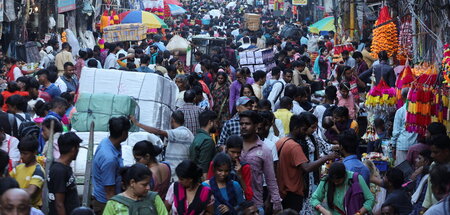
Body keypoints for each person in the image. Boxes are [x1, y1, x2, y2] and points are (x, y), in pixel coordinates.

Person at [276, 113, 337, 213]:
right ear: (296, 128)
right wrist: (326, 158)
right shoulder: (294, 146)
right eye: (304, 129)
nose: (306, 132)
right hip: (293, 189)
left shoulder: (281, 141)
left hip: (284, 188)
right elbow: (306, 167)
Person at [239, 110, 282, 214]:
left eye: (247, 124)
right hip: (235, 204)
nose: (243, 126)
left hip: (255, 204)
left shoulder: (264, 150)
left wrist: (276, 202)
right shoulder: (234, 145)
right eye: (241, 124)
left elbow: (271, 178)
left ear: (256, 126)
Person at [131, 111, 194, 177]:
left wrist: (138, 124)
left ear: (172, 120)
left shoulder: (180, 133)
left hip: (176, 173)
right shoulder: (188, 133)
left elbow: (158, 131)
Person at [91, 116, 131, 215]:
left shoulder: (108, 142)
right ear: (124, 134)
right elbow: (109, 191)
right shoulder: (109, 158)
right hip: (105, 202)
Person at [103, 164, 168, 215]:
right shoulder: (114, 204)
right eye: (144, 185)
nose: (148, 188)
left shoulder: (154, 198)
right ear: (132, 182)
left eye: (149, 184)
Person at [48, 132, 82, 215]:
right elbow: (59, 204)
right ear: (73, 149)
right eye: (78, 147)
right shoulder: (59, 170)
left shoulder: (64, 167)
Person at [9, 136, 45, 208]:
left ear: (34, 152)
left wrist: (10, 190)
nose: (21, 156)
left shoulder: (38, 171)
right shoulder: (18, 167)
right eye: (20, 153)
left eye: (25, 153)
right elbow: (6, 181)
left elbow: (30, 191)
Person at [422, 135, 450, 210]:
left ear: (446, 151)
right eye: (431, 152)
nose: (432, 155)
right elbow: (429, 192)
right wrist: (424, 209)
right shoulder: (433, 165)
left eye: (436, 152)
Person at [392, 88, 417, 165]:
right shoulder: (418, 110)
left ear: (402, 97)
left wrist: (393, 146)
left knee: (402, 170)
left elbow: (396, 131)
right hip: (415, 144)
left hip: (402, 144)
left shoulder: (400, 111)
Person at [190, 110, 217, 178]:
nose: (217, 125)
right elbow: (204, 168)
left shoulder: (197, 137)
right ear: (210, 123)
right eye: (216, 122)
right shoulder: (207, 141)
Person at [409, 149, 432, 215]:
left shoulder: (427, 180)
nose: (416, 160)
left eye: (419, 158)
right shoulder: (419, 173)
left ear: (426, 162)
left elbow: (420, 203)